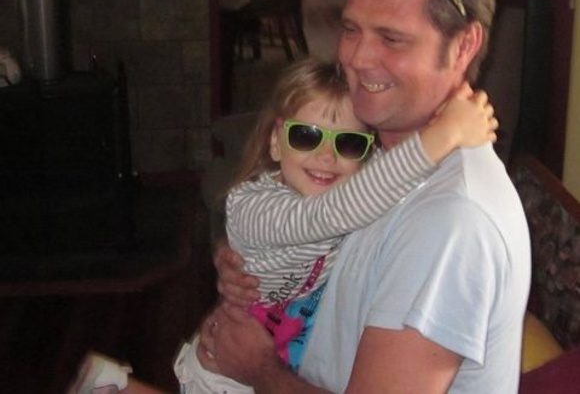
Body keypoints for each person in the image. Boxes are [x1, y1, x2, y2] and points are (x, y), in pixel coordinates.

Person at [201, 0, 532, 394]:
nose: (356, 58)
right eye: (351, 29)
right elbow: (314, 219)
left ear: (463, 46)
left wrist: (259, 369)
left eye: (392, 38)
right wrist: (250, 261)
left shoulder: (452, 221)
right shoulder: (372, 147)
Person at [68, 55, 497, 394]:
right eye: (306, 137)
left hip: (284, 349)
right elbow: (333, 214)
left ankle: (110, 385)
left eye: (349, 143)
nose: (327, 156)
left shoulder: (352, 186)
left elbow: (387, 176)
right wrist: (443, 135)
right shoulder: (253, 206)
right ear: (275, 141)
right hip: (225, 366)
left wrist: (444, 106)